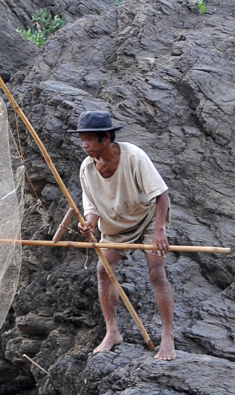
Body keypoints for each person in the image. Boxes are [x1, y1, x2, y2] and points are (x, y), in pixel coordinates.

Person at [71, 110, 178, 359]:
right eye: (82, 140)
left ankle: (167, 337)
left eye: (89, 139)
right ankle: (112, 332)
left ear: (106, 137)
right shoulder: (87, 167)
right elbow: (92, 207)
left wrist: (160, 230)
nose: (85, 145)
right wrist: (89, 224)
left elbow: (161, 193)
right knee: (103, 270)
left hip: (147, 216)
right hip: (115, 224)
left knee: (156, 271)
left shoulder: (133, 156)